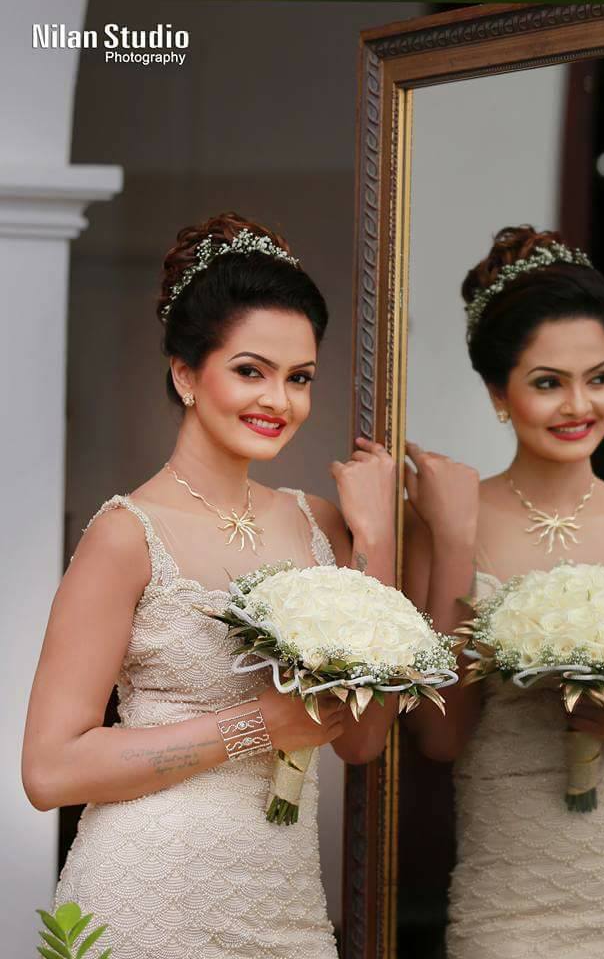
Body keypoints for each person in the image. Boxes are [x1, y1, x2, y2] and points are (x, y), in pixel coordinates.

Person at [22, 212, 397, 959]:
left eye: (299, 378)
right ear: (186, 374)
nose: (279, 401)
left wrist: (378, 540)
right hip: (145, 901)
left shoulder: (319, 525)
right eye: (251, 370)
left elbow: (362, 740)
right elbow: (49, 770)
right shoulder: (126, 534)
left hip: (286, 911)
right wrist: (258, 726)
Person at [403, 226, 604, 958]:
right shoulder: (445, 518)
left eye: (598, 377)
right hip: (512, 903)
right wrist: (454, 539)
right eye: (548, 382)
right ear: (496, 392)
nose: (579, 404)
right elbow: (440, 738)